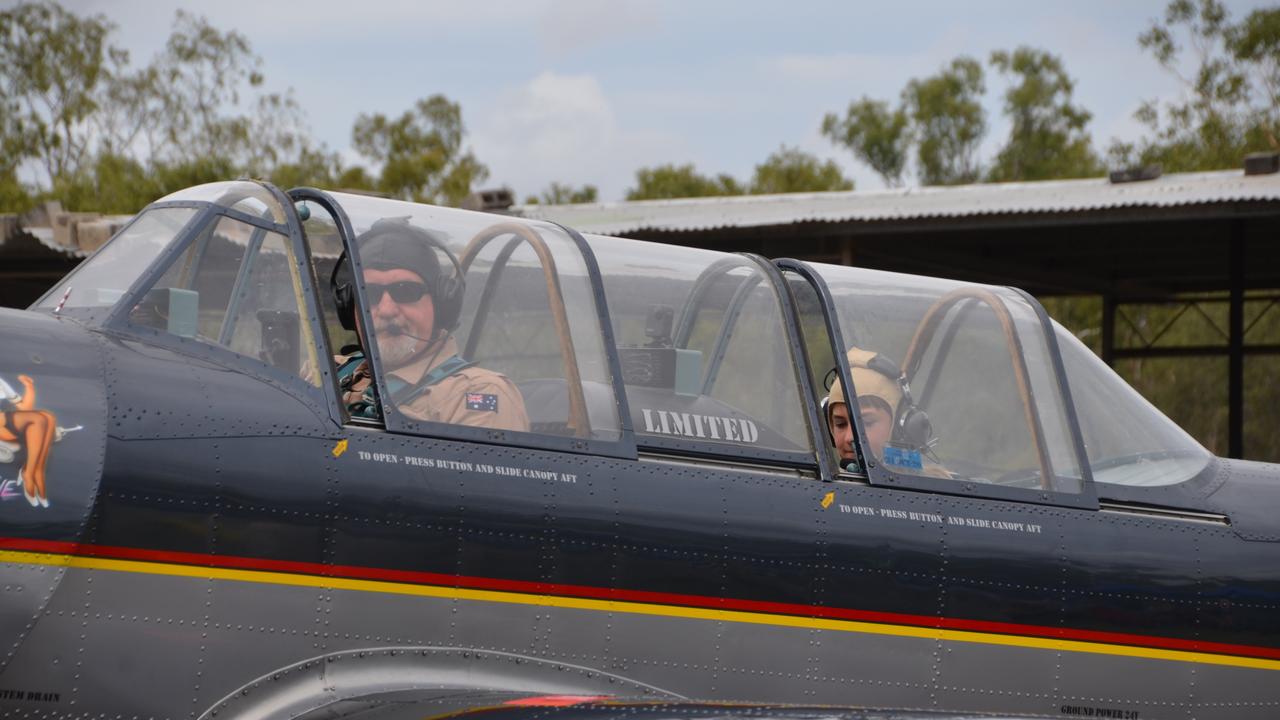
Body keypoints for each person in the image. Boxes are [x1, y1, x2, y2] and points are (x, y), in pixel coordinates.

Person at [334, 219, 529, 432]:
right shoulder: (328, 371)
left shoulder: (478, 393)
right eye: (369, 294)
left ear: (441, 305)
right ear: (348, 308)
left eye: (405, 292)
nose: (387, 309)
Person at [824, 348, 902, 466]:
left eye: (866, 422)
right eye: (840, 424)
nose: (849, 437)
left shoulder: (933, 482)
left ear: (897, 428)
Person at [0, 374, 55, 508]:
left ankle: (36, 470)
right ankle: (29, 473)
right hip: (3, 426)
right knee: (37, 419)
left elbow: (24, 408)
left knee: (47, 417)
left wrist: (29, 386)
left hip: (6, 422)